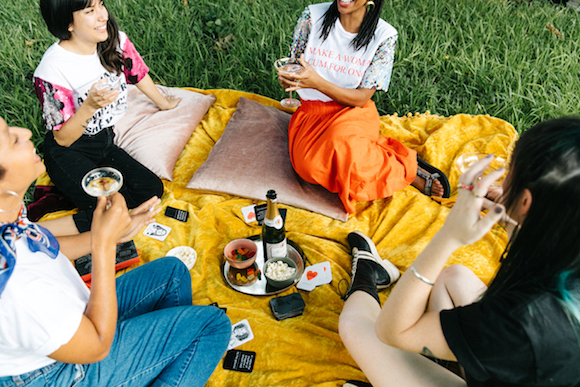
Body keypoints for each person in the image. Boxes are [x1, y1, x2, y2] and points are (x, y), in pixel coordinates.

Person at [338, 117, 580, 386]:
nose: (506, 172)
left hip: (522, 345)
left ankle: (367, 272)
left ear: (526, 200)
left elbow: (393, 332)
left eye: (511, 168)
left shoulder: (520, 319)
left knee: (356, 327)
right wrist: (511, 206)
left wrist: (448, 236)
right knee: (453, 279)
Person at [0, 116, 231, 386]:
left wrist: (107, 234)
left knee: (172, 273)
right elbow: (96, 346)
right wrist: (104, 245)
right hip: (58, 372)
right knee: (212, 326)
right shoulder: (18, 291)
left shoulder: (6, 213)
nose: (25, 131)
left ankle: (157, 366)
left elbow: (40, 247)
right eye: (12, 139)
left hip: (66, 318)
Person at [278, 0, 450, 214]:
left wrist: (317, 82)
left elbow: (361, 98)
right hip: (313, 111)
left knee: (342, 148)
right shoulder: (312, 16)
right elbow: (295, 65)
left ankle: (406, 168)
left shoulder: (384, 35)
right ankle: (377, 152)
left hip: (353, 111)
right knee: (308, 168)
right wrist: (289, 79)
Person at [33, 0, 181, 232]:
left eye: (101, 4)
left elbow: (137, 73)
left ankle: (107, 214)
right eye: (90, 11)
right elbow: (63, 139)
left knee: (151, 190)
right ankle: (42, 232)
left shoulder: (115, 40)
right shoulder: (52, 69)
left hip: (104, 143)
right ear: (68, 22)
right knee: (111, 211)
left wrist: (164, 103)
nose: (103, 16)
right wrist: (90, 106)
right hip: (67, 151)